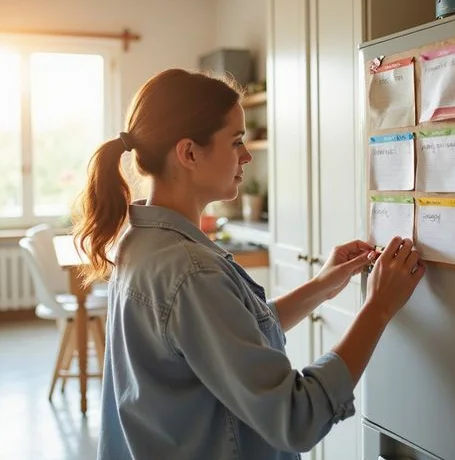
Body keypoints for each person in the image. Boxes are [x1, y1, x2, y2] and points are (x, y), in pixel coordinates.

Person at [73, 68, 426, 460]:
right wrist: (378, 308)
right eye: (236, 141)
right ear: (189, 152)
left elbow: (231, 335)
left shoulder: (142, 241)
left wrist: (323, 284)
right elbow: (295, 419)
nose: (247, 154)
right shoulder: (191, 270)